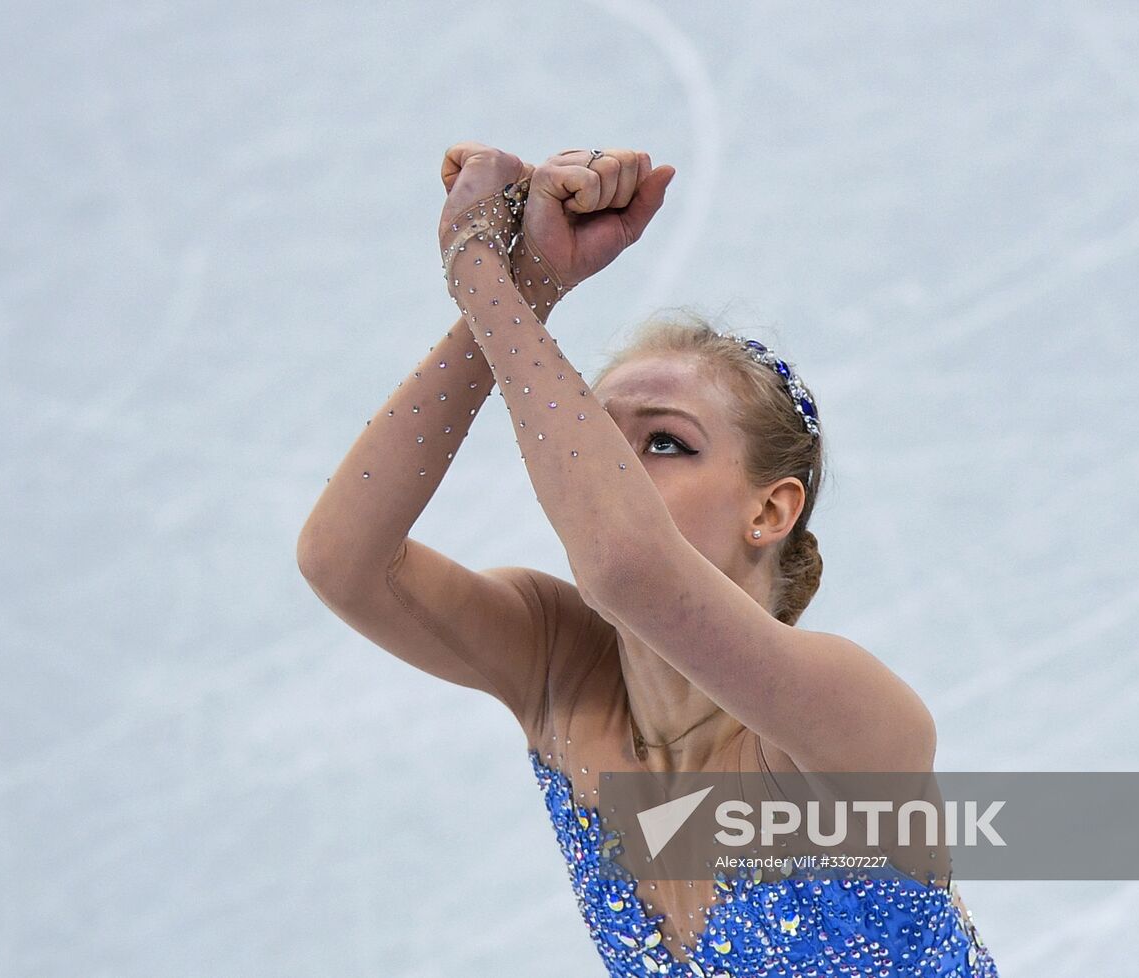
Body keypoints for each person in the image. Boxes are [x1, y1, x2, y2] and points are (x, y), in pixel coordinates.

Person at [297, 142, 1000, 976]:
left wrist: (480, 269)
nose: (613, 468)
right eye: (595, 434)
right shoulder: (559, 667)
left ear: (769, 509)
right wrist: (523, 292)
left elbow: (626, 567)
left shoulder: (845, 719)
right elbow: (344, 561)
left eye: (665, 442)